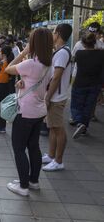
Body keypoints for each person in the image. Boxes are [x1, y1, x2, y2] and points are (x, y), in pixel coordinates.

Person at [4, 28, 53, 196]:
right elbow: (35, 83)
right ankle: (33, 181)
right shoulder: (49, 64)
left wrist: (24, 52)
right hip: (39, 111)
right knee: (33, 146)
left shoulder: (31, 64)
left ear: (34, 44)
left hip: (25, 112)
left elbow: (8, 68)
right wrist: (22, 82)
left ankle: (23, 186)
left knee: (19, 148)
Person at [42, 23, 72, 172]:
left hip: (56, 97)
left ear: (58, 34)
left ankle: (59, 160)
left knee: (58, 128)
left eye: (53, 32)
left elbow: (56, 78)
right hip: (56, 96)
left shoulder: (62, 53)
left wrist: (47, 97)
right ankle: (51, 155)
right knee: (53, 127)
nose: (52, 35)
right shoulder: (60, 52)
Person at [70, 33, 104, 138]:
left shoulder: (79, 54)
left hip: (80, 83)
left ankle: (80, 122)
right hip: (95, 84)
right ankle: (84, 128)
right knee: (88, 107)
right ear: (94, 42)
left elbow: (72, 61)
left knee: (76, 105)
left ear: (83, 43)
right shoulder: (102, 54)